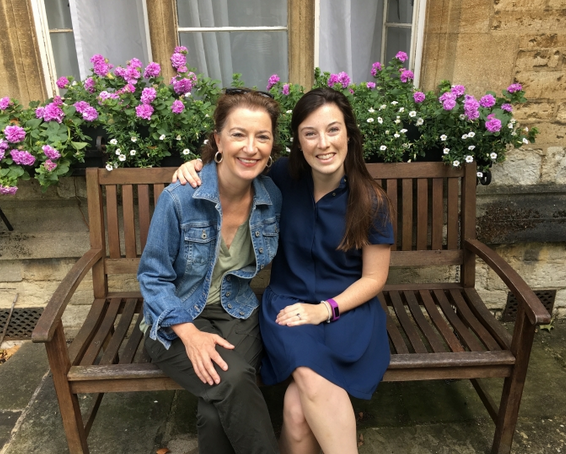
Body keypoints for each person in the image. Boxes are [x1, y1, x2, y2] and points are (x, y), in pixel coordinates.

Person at [174, 87, 394, 454]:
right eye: (310, 133)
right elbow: (233, 163)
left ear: (350, 136)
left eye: (333, 130)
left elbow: (374, 278)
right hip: (288, 307)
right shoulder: (278, 179)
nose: (323, 143)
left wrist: (326, 309)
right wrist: (195, 166)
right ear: (297, 141)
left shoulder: (371, 200)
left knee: (295, 411)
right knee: (308, 375)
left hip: (346, 310)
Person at [138, 88, 282, 454]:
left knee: (219, 405)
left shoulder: (271, 198)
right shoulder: (180, 197)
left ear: (271, 146)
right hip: (174, 318)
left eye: (262, 136)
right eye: (238, 134)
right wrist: (189, 334)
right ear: (218, 139)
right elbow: (153, 277)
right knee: (232, 379)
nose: (251, 147)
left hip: (237, 310)